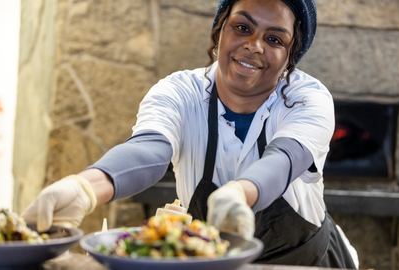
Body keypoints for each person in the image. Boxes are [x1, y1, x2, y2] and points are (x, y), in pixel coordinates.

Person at [22, 0, 358, 268]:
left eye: (274, 39)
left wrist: (240, 192)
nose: (254, 46)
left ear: (289, 57)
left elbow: (285, 158)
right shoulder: (180, 91)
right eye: (242, 28)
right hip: (210, 263)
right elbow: (150, 150)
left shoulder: (307, 98)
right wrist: (85, 186)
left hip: (306, 263)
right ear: (219, 30)